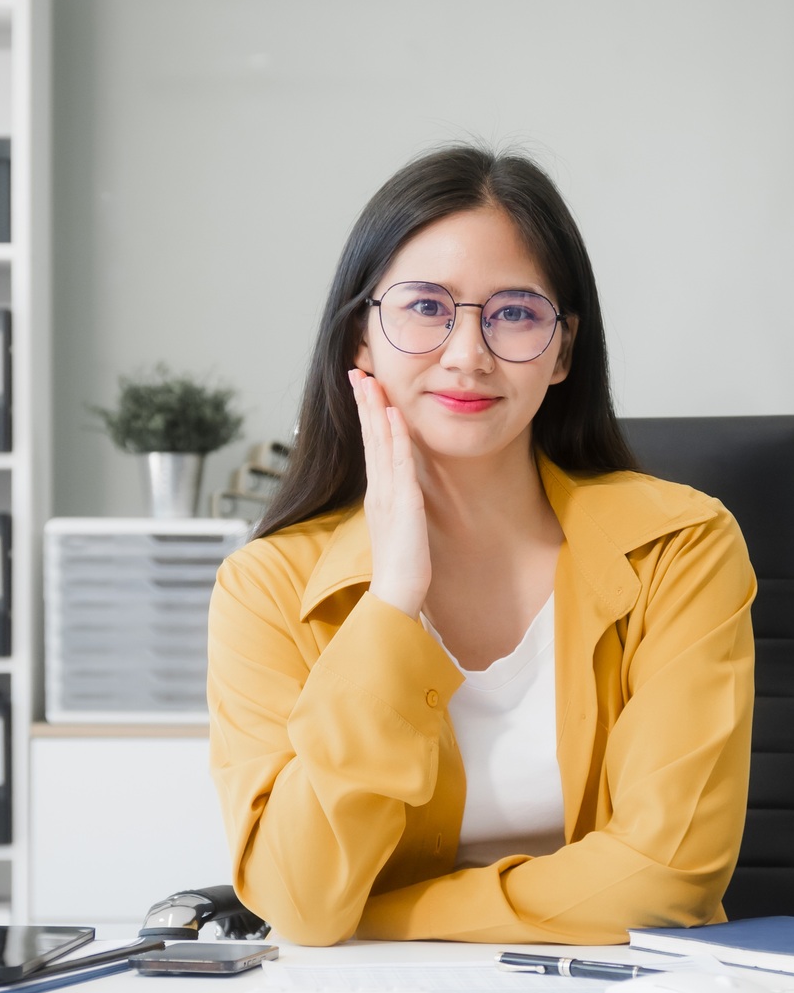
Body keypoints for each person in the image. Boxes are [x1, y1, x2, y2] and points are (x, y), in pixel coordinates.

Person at [206, 145, 757, 945]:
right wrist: (392, 599)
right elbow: (297, 891)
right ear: (360, 337)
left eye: (515, 313)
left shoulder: (680, 548)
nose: (468, 355)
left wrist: (381, 917)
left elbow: (665, 874)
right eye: (425, 307)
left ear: (563, 350)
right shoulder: (266, 589)